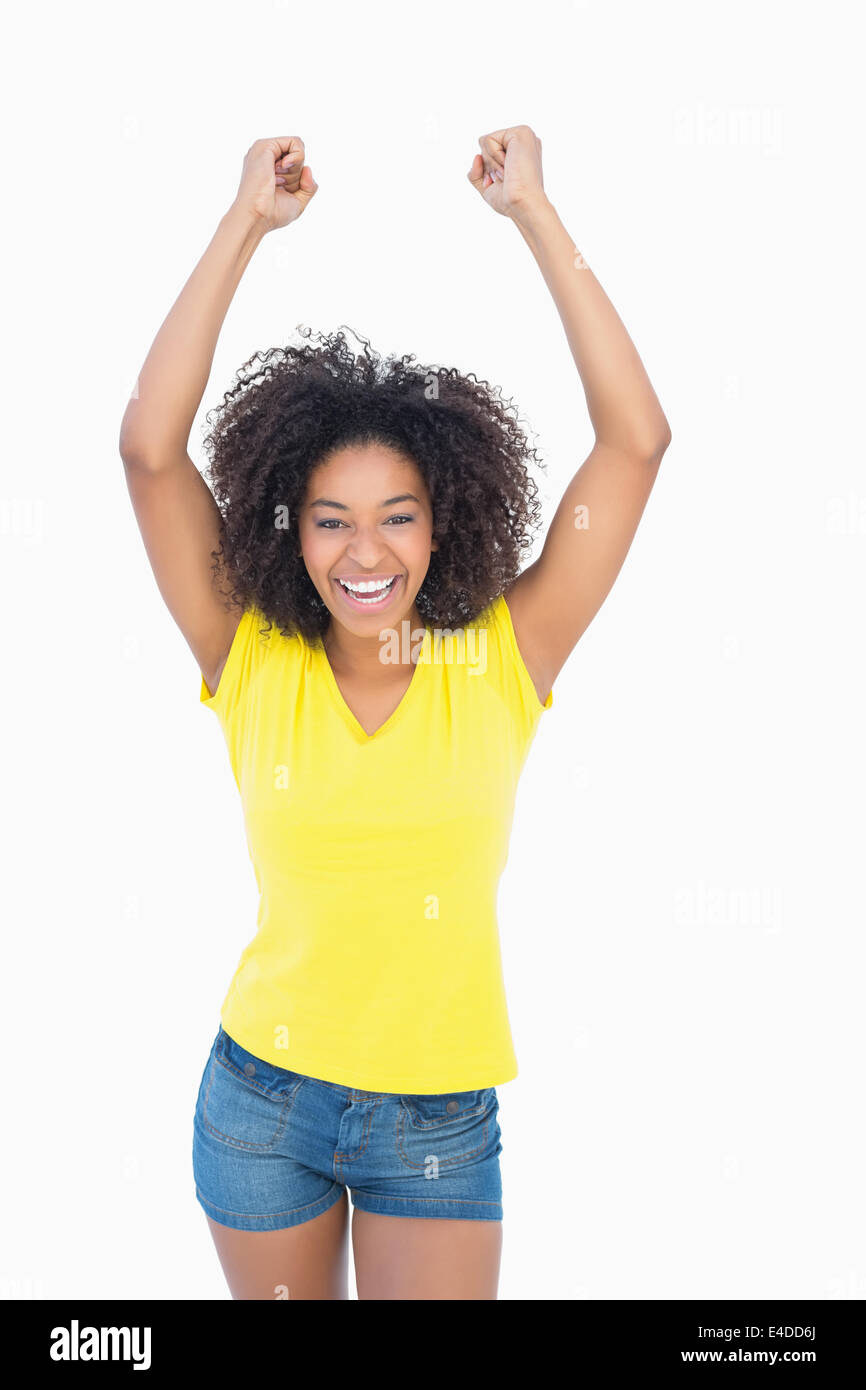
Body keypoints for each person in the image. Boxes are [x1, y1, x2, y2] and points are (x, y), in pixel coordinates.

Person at [118, 127, 671, 1300]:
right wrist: (243, 226)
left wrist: (536, 213)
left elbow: (636, 440)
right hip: (261, 1105)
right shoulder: (251, 654)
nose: (364, 550)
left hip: (436, 1119)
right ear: (290, 528)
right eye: (329, 518)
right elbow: (149, 451)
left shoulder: (500, 658)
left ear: (445, 520)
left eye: (396, 515)